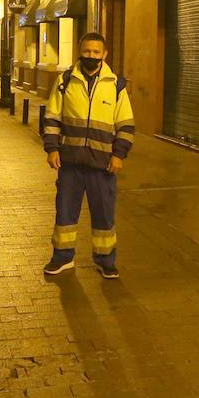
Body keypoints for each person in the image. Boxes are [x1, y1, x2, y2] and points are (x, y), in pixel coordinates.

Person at [41, 33, 135, 279]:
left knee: (104, 215)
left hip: (102, 165)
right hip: (70, 162)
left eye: (96, 52)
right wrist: (52, 149)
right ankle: (62, 258)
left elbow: (126, 125)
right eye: (87, 51)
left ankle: (105, 261)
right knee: (65, 213)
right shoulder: (65, 81)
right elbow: (52, 118)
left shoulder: (116, 85)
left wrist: (118, 155)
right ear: (79, 52)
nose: (91, 56)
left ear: (104, 55)